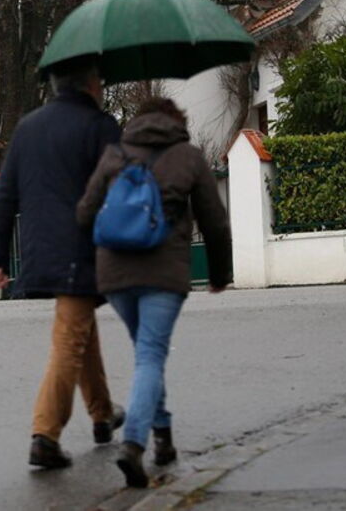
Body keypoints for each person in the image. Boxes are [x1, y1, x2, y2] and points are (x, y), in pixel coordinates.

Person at [76, 97, 232, 488]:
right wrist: (218, 274)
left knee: (147, 354)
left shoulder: (115, 154)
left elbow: (84, 213)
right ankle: (134, 445)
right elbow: (215, 223)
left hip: (115, 275)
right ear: (177, 121)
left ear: (139, 121)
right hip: (165, 274)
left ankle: (163, 438)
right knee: (150, 356)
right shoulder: (189, 157)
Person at [0, 56, 125, 469]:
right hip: (81, 251)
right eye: (100, 79)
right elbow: (124, 190)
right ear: (91, 84)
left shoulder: (28, 128)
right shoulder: (100, 127)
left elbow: (4, 195)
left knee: (80, 327)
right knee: (69, 339)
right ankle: (45, 434)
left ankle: (102, 414)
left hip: (40, 252)